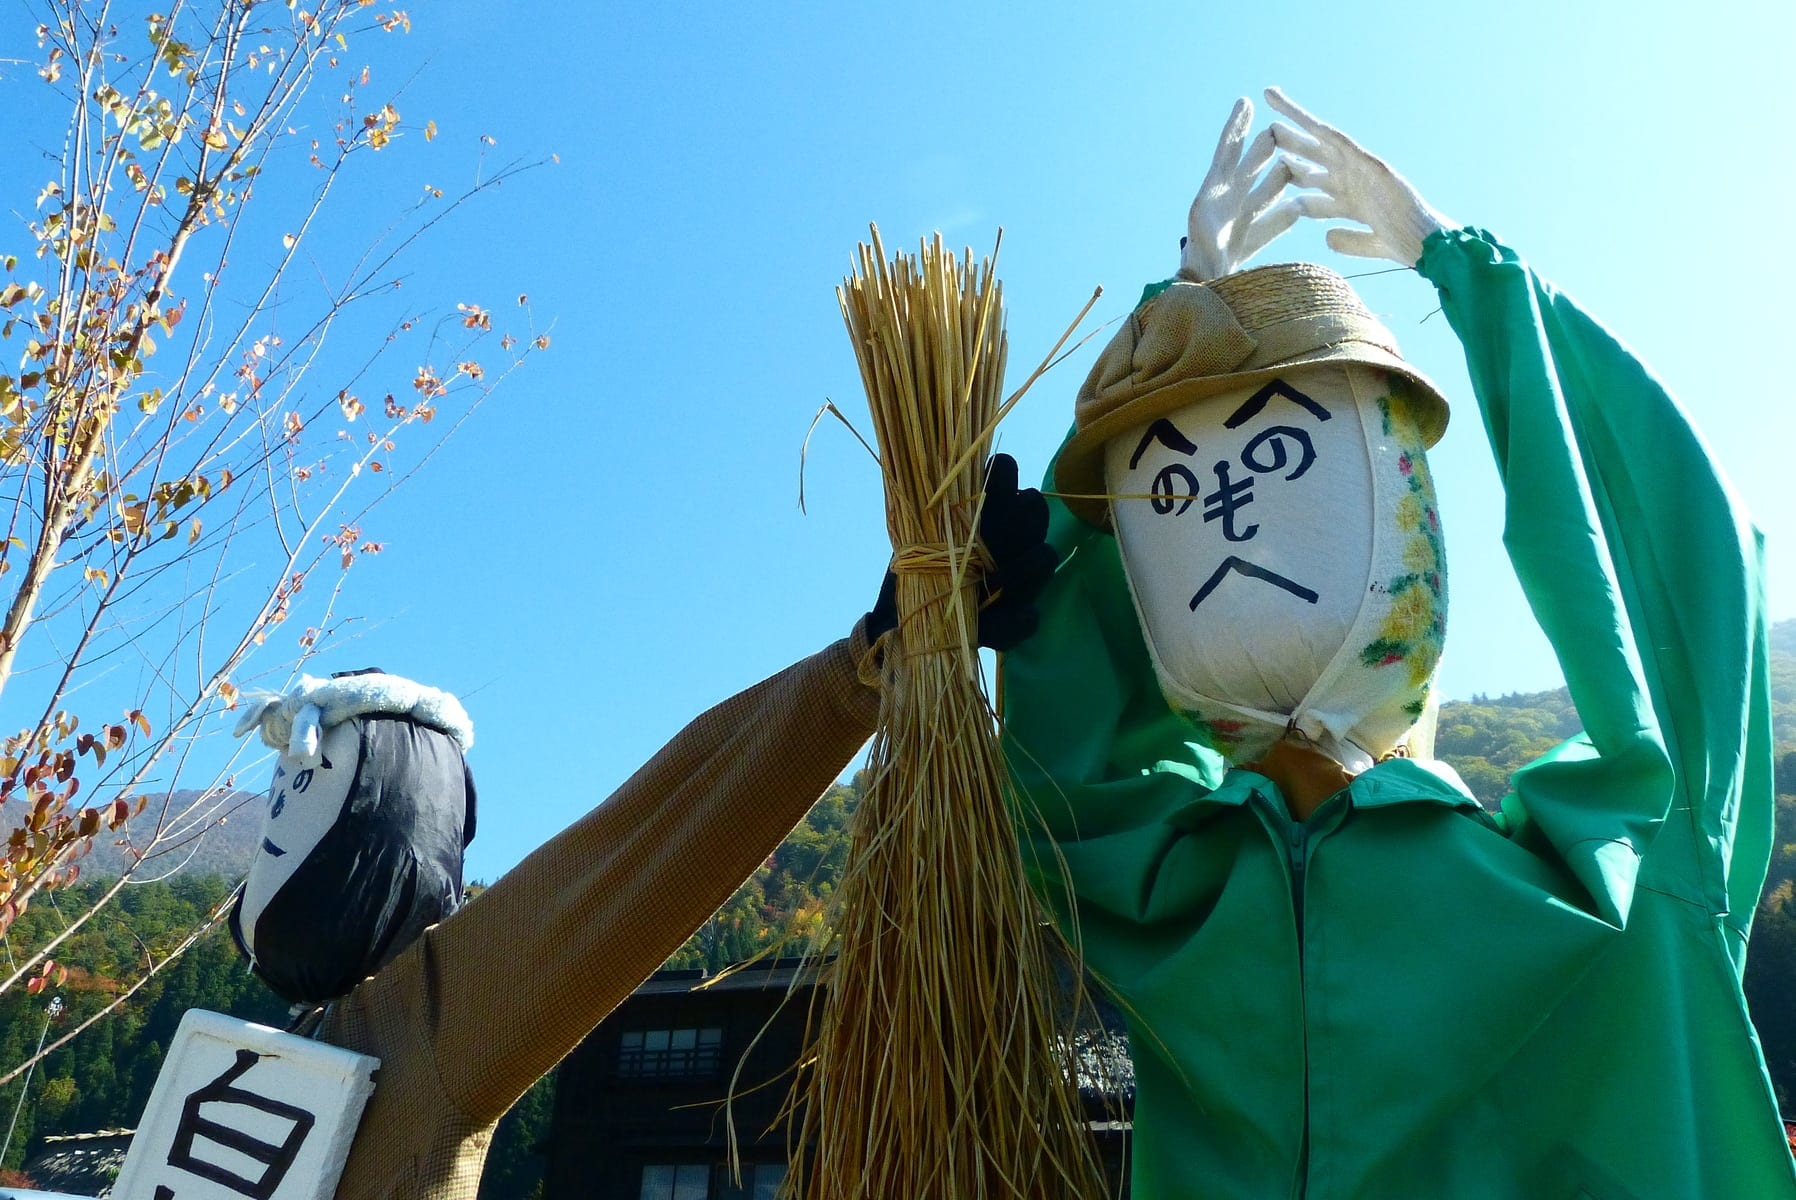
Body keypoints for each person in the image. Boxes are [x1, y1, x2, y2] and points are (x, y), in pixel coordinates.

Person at [999, 89, 1796, 1199]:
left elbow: (1670, 585)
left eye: (1277, 459)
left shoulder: (1606, 879)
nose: (1221, 514)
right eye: (1171, 488)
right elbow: (1061, 741)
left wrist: (1470, 280)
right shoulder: (1164, 898)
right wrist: (1177, 337)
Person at [227, 459, 1054, 1200]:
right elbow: (639, 845)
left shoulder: (416, 1028)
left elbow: (644, 848)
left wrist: (864, 666)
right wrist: (864, 663)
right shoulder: (350, 1043)